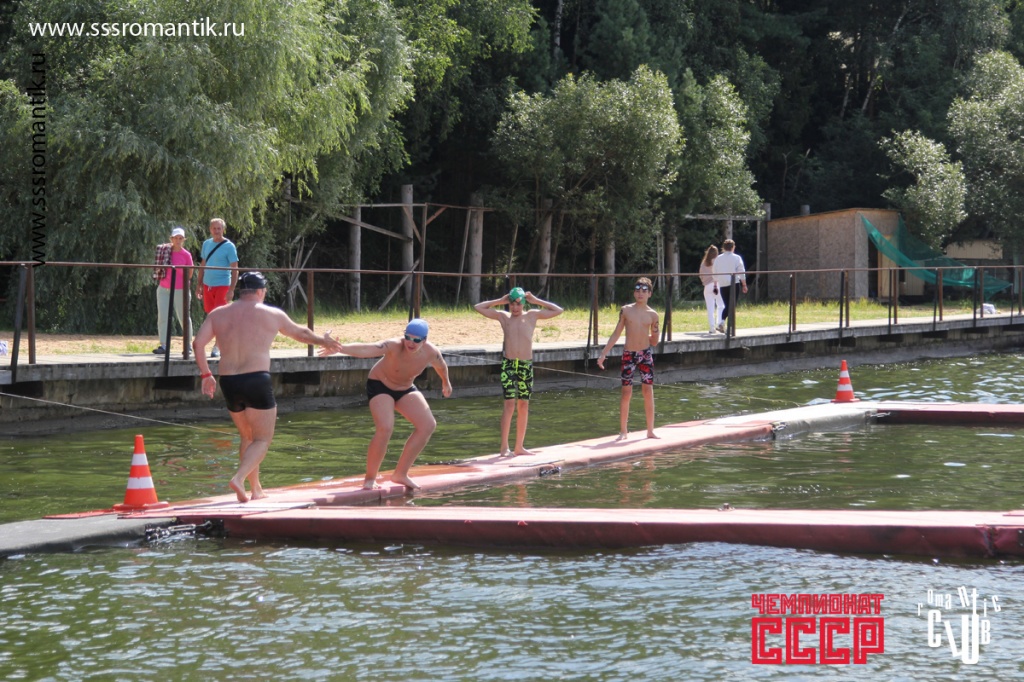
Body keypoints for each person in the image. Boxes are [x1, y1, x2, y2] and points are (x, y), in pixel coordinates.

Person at [194, 271, 342, 503]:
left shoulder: (218, 313)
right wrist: (324, 341)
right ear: (261, 291)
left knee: (247, 436)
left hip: (228, 381)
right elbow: (301, 333)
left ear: (241, 291)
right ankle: (239, 478)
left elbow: (198, 343)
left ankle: (256, 490)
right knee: (262, 439)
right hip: (256, 379)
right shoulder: (271, 313)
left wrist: (206, 375)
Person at [321, 318, 452, 491]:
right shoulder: (394, 345)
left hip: (405, 388)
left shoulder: (431, 352)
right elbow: (368, 349)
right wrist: (340, 348)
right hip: (380, 385)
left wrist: (446, 382)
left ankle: (400, 474)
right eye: (408, 337)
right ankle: (370, 478)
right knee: (385, 427)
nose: (410, 343)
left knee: (428, 425)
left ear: (425, 340)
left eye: (416, 340)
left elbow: (441, 366)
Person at [474, 287, 564, 456]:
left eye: (518, 304)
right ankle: (504, 448)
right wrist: (500, 301)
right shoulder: (504, 317)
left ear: (523, 303)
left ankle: (519, 447)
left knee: (523, 405)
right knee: (509, 405)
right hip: (508, 365)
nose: (515, 308)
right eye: (512, 304)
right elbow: (478, 307)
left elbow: (558, 310)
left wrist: (536, 300)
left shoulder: (532, 315)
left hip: (525, 365)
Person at [596, 277, 661, 440]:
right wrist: (604, 353)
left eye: (644, 291)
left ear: (650, 294)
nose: (640, 294)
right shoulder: (626, 310)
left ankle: (650, 430)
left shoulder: (653, 315)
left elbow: (654, 341)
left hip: (645, 354)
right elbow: (617, 333)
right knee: (626, 392)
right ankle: (623, 431)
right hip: (628, 355)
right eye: (637, 290)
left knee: (648, 390)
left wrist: (649, 336)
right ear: (634, 293)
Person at [195, 218, 239, 358]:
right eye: (214, 228)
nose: (216, 231)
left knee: (220, 316)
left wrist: (231, 289)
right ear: (210, 230)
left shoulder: (229, 246)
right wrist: (199, 284)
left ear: (223, 230)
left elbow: (235, 269)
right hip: (208, 284)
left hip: (223, 284)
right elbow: (202, 265)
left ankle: (217, 346)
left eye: (219, 228)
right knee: (211, 315)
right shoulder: (206, 244)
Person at [153, 226, 194, 354]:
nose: (178, 240)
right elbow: (157, 267)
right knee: (163, 316)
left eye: (180, 238)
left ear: (184, 240)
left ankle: (187, 345)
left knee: (183, 317)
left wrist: (178, 269)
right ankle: (164, 345)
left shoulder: (186, 255)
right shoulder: (164, 251)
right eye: (176, 238)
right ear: (171, 239)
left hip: (180, 289)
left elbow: (190, 274)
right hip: (164, 288)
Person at [712, 238, 747, 332]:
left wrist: (715, 284)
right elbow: (741, 271)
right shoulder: (737, 258)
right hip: (733, 284)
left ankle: (723, 323)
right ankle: (727, 325)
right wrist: (744, 284)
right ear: (733, 247)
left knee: (727, 305)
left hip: (722, 284)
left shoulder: (718, 258)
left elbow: (714, 272)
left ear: (724, 247)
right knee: (732, 305)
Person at [699, 245, 725, 334]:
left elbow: (701, 275)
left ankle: (712, 328)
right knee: (721, 305)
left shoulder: (703, 263)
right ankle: (719, 324)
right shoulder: (718, 261)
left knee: (710, 308)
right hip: (717, 284)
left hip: (707, 286)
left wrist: (705, 282)